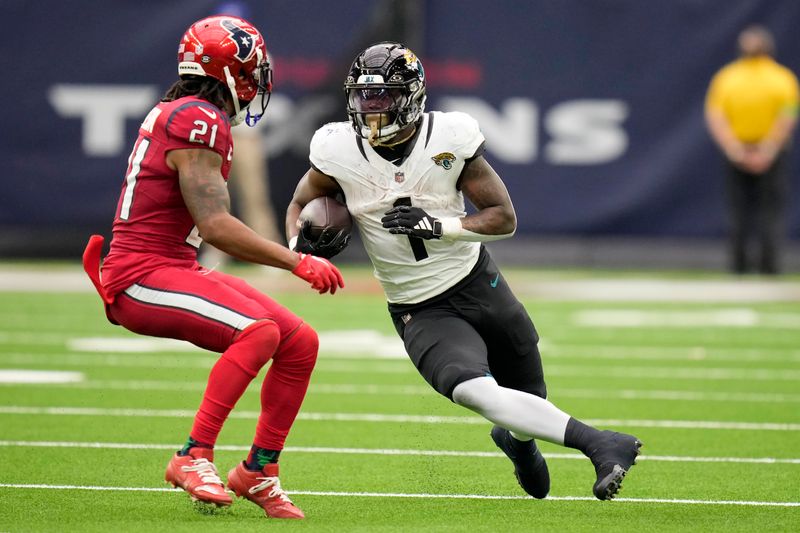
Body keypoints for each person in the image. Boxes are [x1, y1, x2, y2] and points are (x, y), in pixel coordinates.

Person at [286, 42, 642, 501]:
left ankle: (517, 443)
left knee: (529, 391)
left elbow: (503, 217)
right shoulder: (337, 149)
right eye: (363, 98)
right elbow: (298, 204)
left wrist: (439, 226)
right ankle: (600, 443)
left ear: (411, 96)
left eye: (383, 98)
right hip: (419, 305)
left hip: (478, 283)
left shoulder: (448, 137)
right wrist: (301, 251)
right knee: (474, 390)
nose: (371, 111)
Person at [81, 15, 344, 520]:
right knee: (258, 332)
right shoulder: (198, 118)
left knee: (299, 342)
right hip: (140, 276)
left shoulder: (191, 112)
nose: (258, 81)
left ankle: (259, 470)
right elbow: (217, 226)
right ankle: (192, 455)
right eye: (252, 70)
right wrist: (296, 261)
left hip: (172, 266)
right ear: (231, 73)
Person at [705, 25, 799, 275]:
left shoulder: (731, 77)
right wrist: (764, 149)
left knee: (746, 211)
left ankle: (746, 268)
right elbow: (787, 116)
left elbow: (716, 116)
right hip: (762, 150)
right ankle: (756, 267)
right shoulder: (779, 77)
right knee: (756, 211)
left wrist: (738, 149)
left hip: (750, 149)